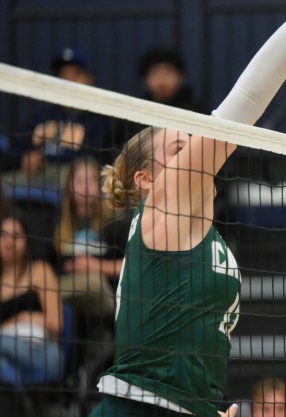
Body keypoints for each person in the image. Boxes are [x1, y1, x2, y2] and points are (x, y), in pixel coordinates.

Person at [88, 0, 286, 417]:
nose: (197, 148)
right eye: (180, 147)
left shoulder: (198, 232)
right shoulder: (164, 206)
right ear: (147, 180)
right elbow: (249, 97)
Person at [2, 47, 111, 192]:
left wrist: (51, 158)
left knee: (80, 180)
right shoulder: (44, 115)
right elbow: (14, 147)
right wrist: (25, 158)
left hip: (72, 176)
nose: (69, 82)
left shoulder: (99, 119)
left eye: (75, 75)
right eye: (63, 76)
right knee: (4, 184)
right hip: (35, 173)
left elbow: (96, 157)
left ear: (89, 78)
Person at [54, 155, 123, 318]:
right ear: (69, 186)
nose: (85, 187)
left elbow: (130, 264)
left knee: (92, 283)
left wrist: (94, 266)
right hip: (66, 296)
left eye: (90, 181)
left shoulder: (115, 223)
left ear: (101, 185)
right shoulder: (57, 222)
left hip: (106, 294)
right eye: (79, 181)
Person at [0, 214, 64, 387]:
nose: (8, 241)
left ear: (27, 240)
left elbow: (56, 325)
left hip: (41, 352)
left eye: (16, 236)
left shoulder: (40, 271)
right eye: (3, 234)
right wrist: (21, 318)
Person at [138, 46, 207, 113]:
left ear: (181, 77)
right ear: (145, 79)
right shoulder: (137, 112)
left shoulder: (196, 113)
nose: (162, 79)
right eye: (155, 72)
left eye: (168, 72)